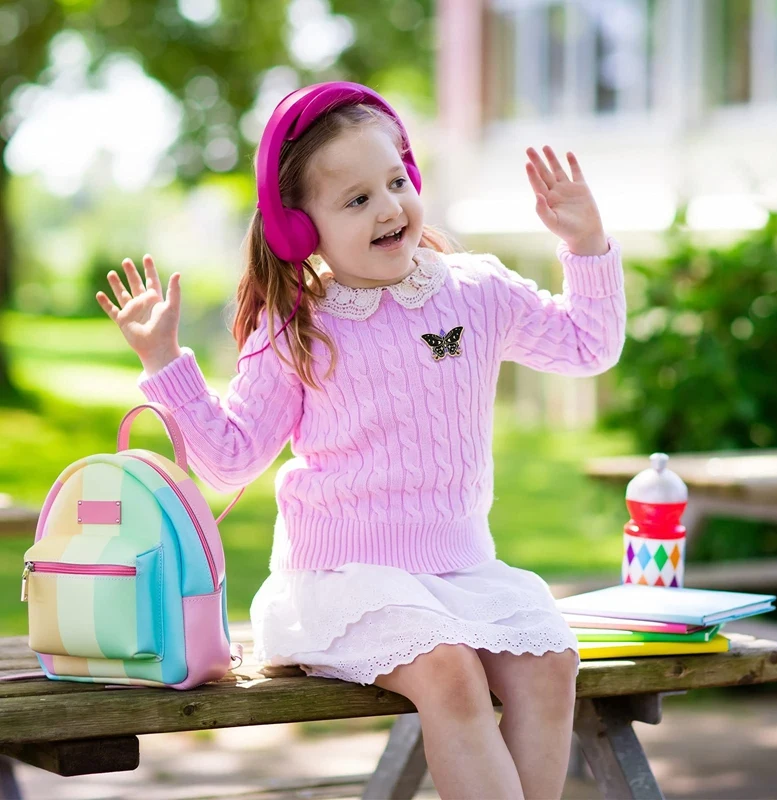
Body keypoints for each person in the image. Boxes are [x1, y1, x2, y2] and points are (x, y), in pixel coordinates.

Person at [96, 81, 626, 800]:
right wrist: (165, 364)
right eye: (355, 200)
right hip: (340, 580)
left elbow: (588, 345)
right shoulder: (297, 328)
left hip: (462, 571)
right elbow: (229, 460)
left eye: (396, 180)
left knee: (551, 661)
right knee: (448, 671)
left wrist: (585, 244)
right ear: (299, 229)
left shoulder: (477, 292)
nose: (388, 206)